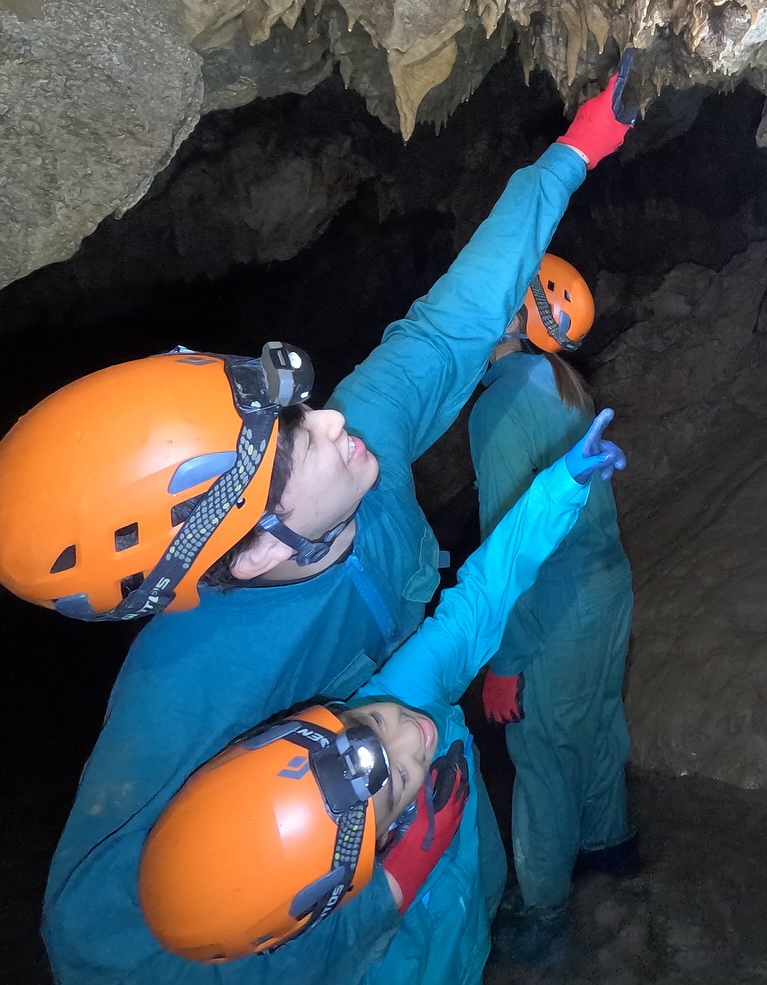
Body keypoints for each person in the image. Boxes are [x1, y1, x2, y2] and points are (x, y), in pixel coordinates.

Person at [0, 61, 640, 983]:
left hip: (428, 787)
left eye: (295, 411)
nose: (337, 421)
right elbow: (101, 950)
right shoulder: (194, 687)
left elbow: (451, 327)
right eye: (299, 444)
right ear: (255, 548)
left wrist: (572, 155)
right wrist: (375, 904)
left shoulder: (341, 464)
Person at [137, 411, 626, 983]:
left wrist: (559, 488)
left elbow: (479, 600)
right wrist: (390, 895)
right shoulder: (345, 933)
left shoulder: (398, 698)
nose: (412, 730)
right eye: (395, 781)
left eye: (365, 724)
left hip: (466, 924)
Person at [469, 254, 637, 963]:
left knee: (540, 754)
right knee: (597, 725)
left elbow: (515, 546)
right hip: (608, 590)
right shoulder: (562, 383)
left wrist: (506, 661)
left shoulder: (498, 406)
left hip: (558, 608)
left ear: (515, 313)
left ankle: (542, 911)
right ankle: (614, 857)